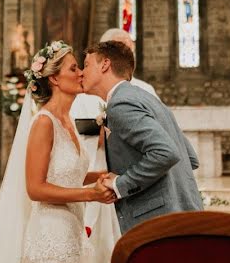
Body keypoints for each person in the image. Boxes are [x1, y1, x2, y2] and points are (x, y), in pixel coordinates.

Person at [0, 41, 115, 263]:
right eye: (74, 68)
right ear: (54, 78)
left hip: (73, 235)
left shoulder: (69, 121)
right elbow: (36, 187)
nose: (81, 73)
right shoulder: (44, 122)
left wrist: (102, 176)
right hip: (50, 241)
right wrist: (90, 194)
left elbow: (69, 175)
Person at [70, 27, 158, 263]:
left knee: (123, 254)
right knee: (95, 256)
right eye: (122, 46)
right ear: (108, 55)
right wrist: (99, 132)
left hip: (130, 186)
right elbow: (71, 144)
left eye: (131, 46)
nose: (128, 50)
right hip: (95, 182)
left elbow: (158, 145)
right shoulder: (83, 96)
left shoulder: (145, 90)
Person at [82, 40, 202, 234]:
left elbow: (166, 153)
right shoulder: (146, 97)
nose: (81, 72)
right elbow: (190, 158)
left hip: (157, 221)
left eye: (86, 65)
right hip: (184, 211)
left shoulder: (121, 105)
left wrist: (119, 183)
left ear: (105, 64)